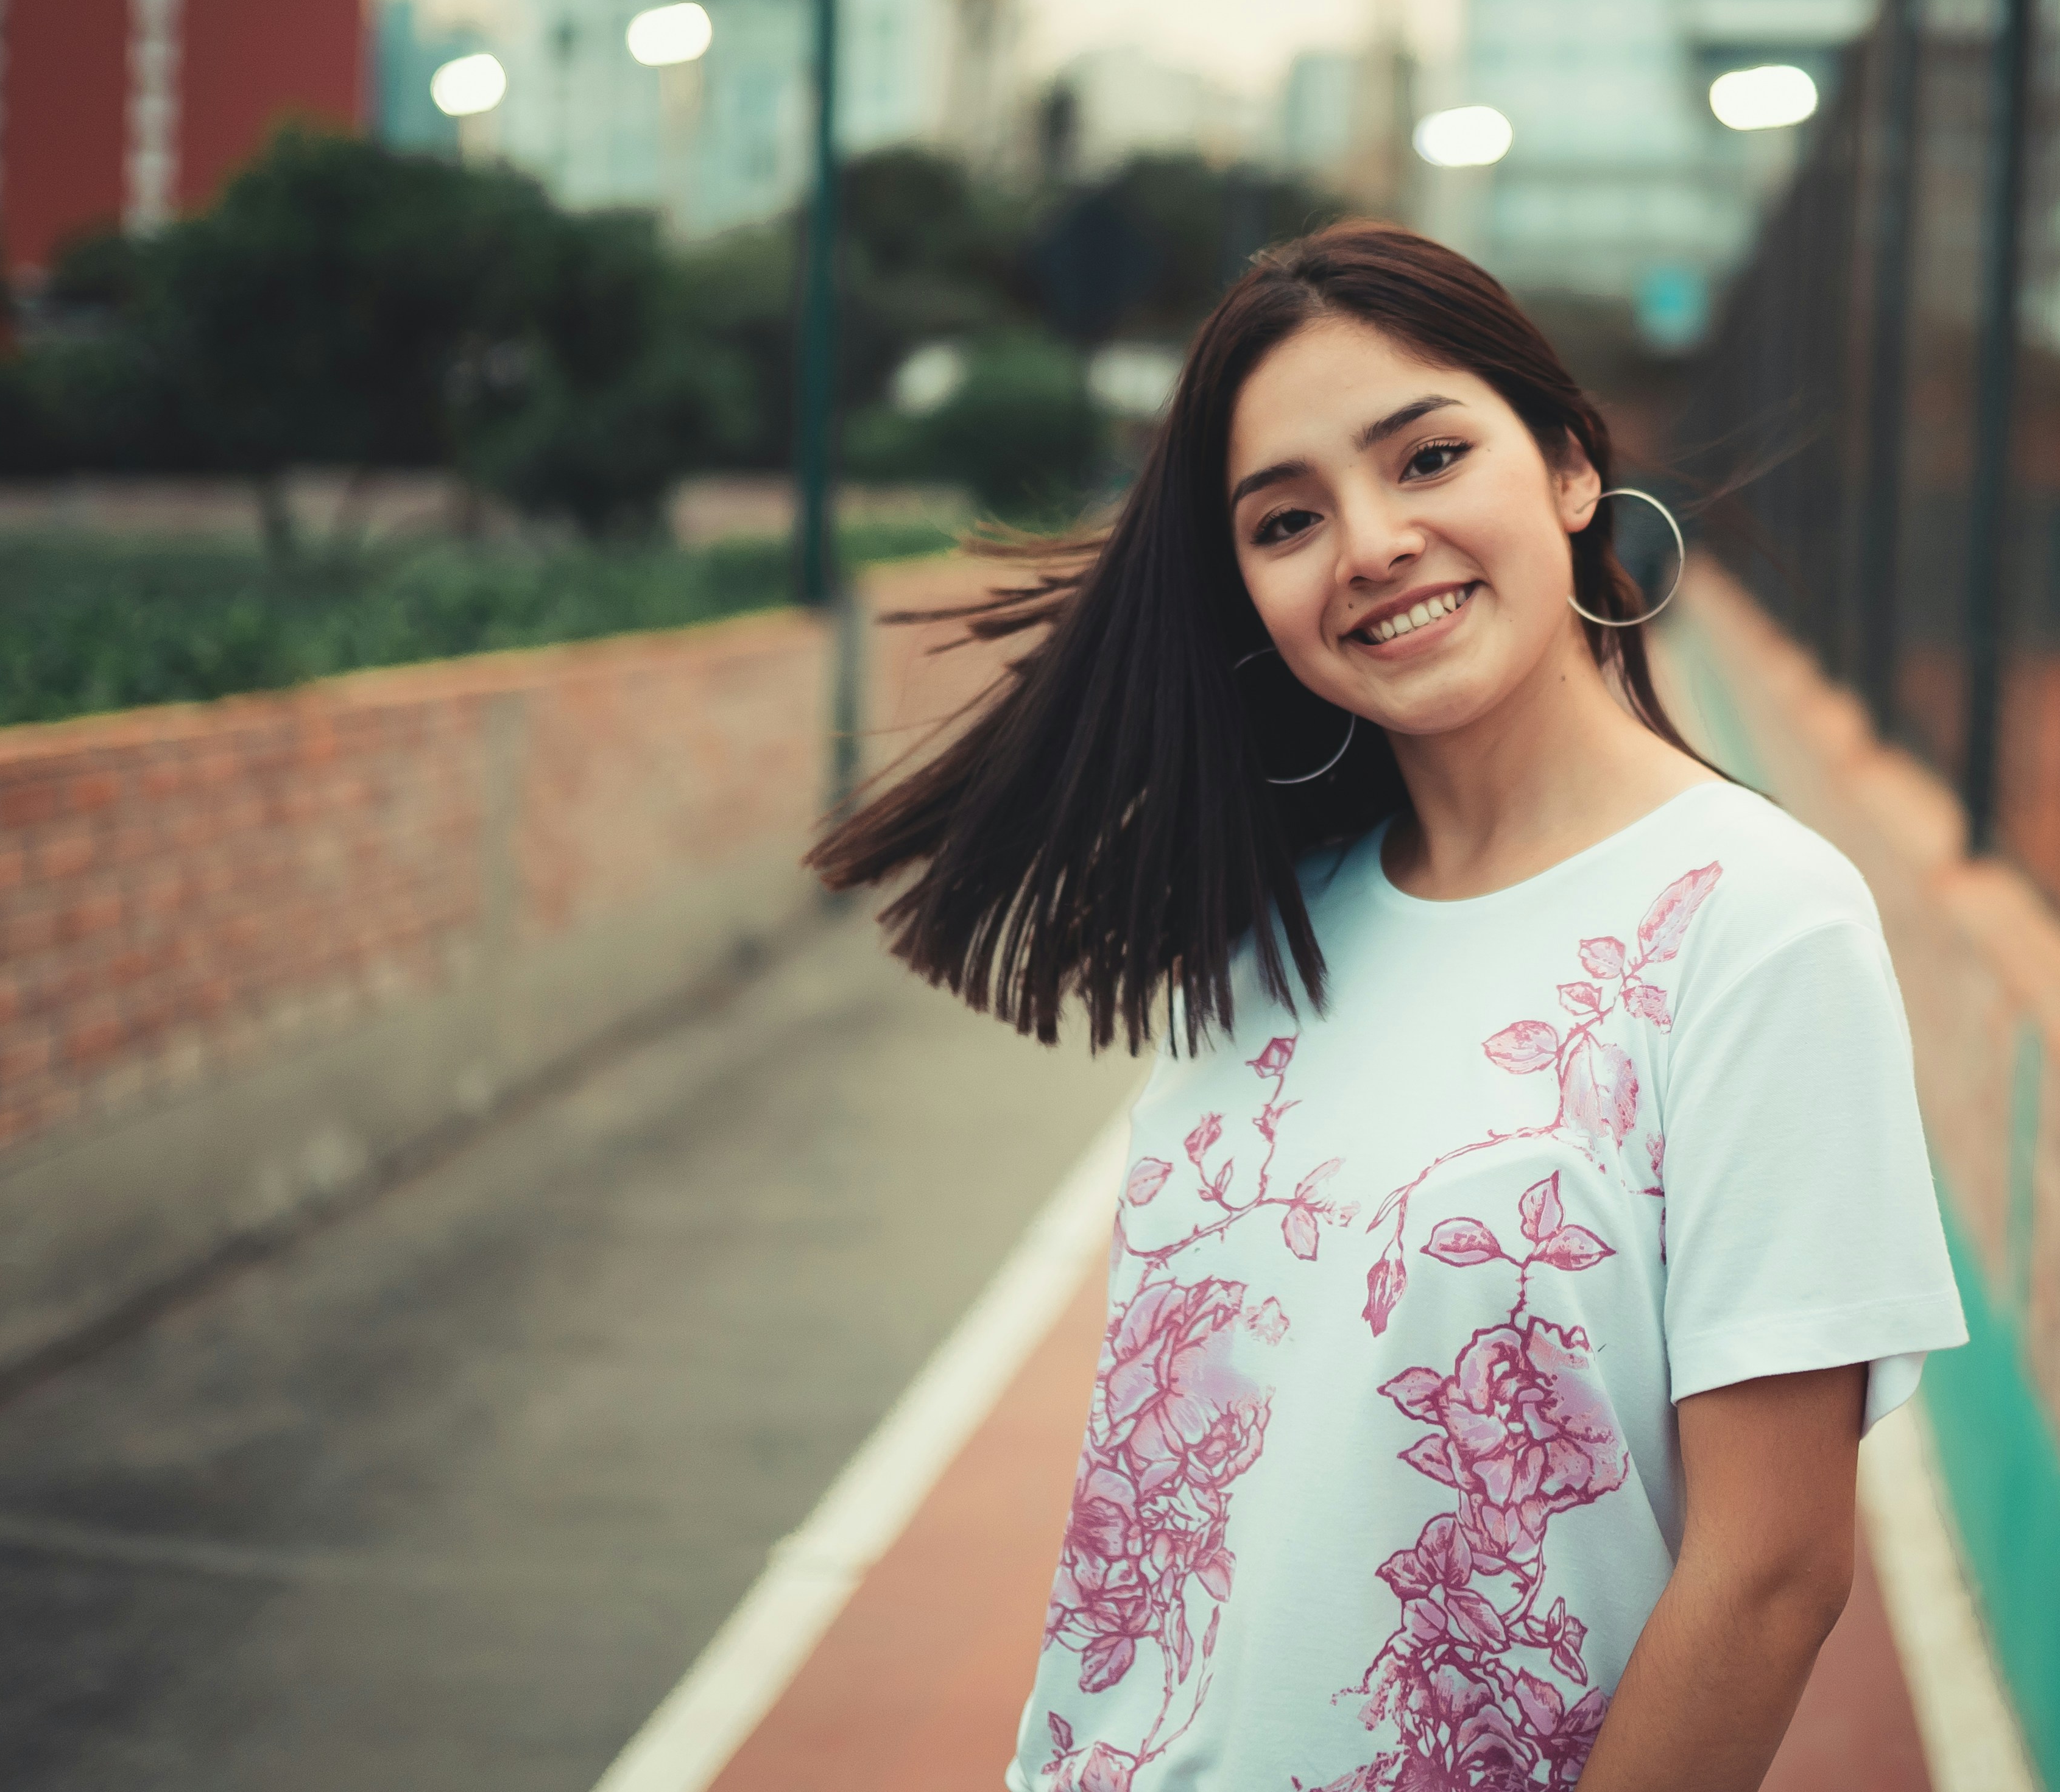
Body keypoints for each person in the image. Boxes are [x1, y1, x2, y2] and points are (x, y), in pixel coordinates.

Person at [813, 222, 1964, 1792]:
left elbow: (1774, 1579)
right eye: (1286, 520)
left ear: (1567, 467)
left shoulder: (1755, 923)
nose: (1368, 544)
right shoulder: (1275, 928)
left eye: (1426, 457)